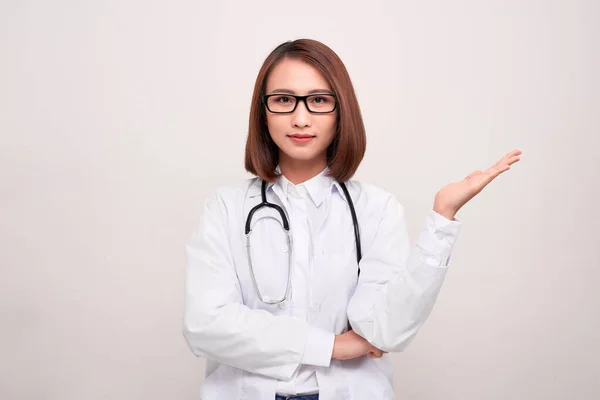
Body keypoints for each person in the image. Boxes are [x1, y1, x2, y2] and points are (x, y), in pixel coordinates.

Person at [182, 38, 521, 400]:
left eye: (319, 100)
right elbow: (205, 324)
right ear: (263, 112)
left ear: (340, 111)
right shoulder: (227, 206)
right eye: (283, 100)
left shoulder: (375, 208)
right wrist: (332, 346)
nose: (300, 118)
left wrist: (442, 217)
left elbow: (385, 330)